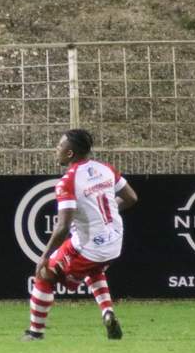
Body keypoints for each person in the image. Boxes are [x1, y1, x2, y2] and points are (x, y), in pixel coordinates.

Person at [22, 128, 138, 341]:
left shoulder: (68, 181)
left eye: (60, 145)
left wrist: (44, 256)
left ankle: (34, 333)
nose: (56, 149)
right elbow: (131, 198)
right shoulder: (105, 168)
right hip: (114, 242)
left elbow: (63, 226)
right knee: (94, 270)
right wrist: (105, 217)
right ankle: (107, 312)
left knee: (44, 275)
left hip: (89, 246)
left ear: (70, 153)